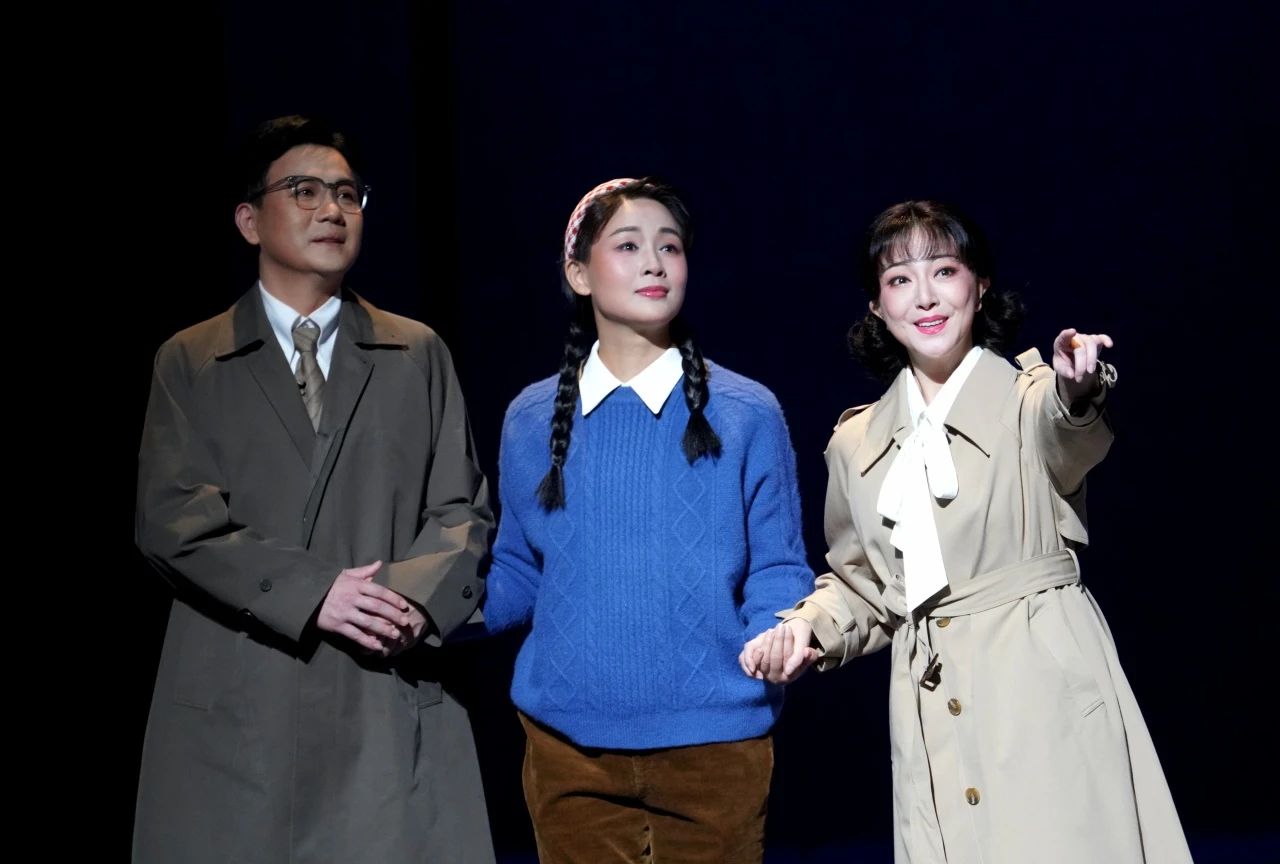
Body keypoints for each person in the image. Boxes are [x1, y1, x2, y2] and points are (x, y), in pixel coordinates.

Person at [742, 200, 1192, 863]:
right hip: (931, 709)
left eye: (944, 271)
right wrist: (806, 627)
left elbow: (1068, 429)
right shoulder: (856, 442)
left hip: (1039, 689)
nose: (924, 296)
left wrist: (1079, 388)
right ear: (876, 306)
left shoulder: (1029, 398)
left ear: (979, 285)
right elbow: (864, 585)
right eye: (899, 279)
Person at [133, 115, 495, 863]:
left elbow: (461, 510)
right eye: (305, 191)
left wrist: (407, 602)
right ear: (249, 220)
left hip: (381, 686)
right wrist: (315, 592)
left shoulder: (414, 352)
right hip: (244, 701)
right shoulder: (192, 359)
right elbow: (173, 519)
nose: (332, 210)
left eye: (348, 194)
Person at [481, 177, 814, 863]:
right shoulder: (530, 418)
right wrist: (422, 602)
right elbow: (518, 569)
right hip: (568, 745)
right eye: (628, 246)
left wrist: (776, 634)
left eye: (670, 246)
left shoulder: (746, 412)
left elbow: (779, 567)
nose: (655, 263)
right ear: (579, 272)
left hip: (715, 742)